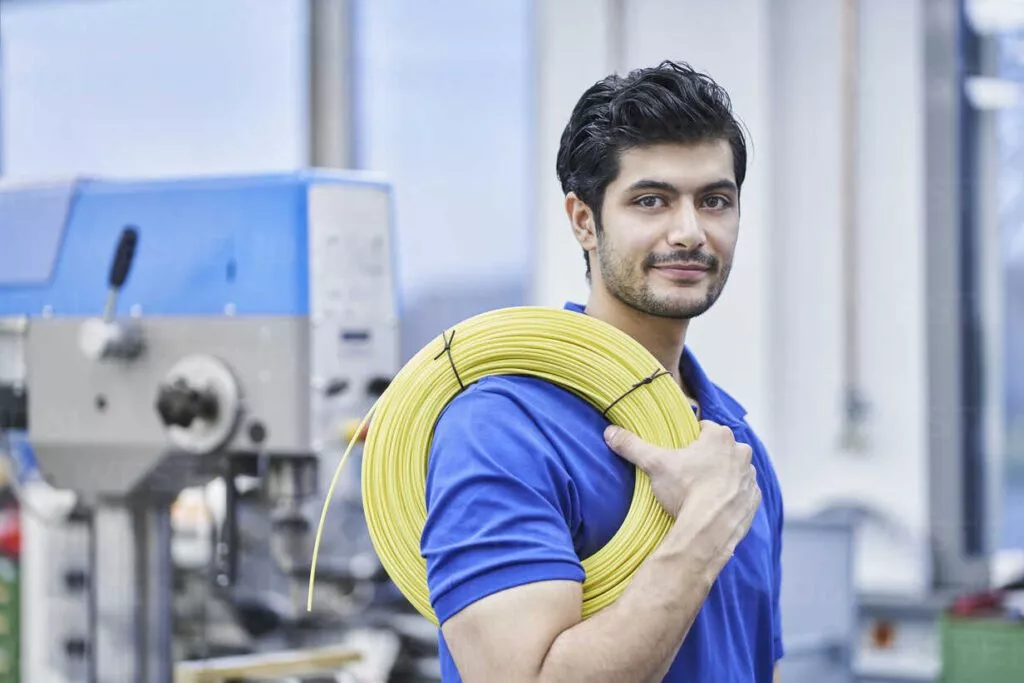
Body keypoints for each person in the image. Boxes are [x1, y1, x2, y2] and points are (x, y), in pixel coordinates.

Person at [420, 60, 785, 682]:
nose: (690, 232)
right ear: (584, 221)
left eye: (715, 201)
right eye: (651, 201)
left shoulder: (735, 447)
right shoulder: (503, 429)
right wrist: (703, 529)